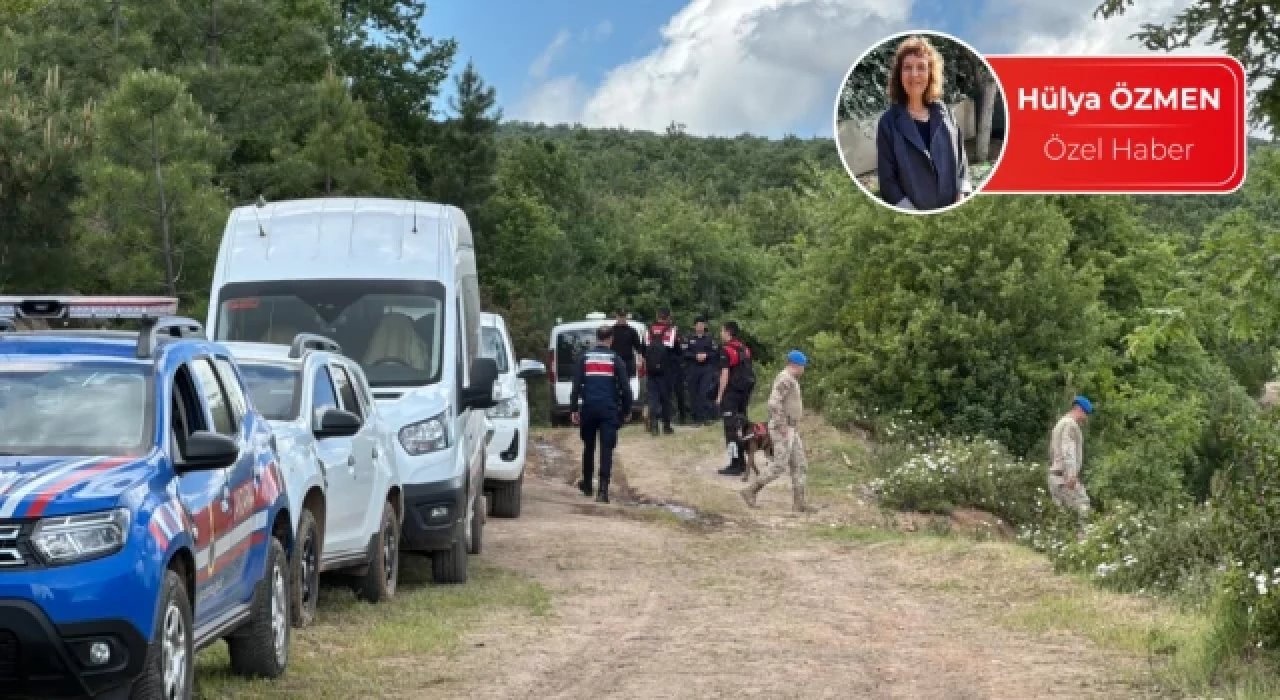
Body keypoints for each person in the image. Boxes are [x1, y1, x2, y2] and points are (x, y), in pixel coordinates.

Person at [875, 34, 973, 212]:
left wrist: (961, 194)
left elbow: (962, 162)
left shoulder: (946, 114)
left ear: (930, 74)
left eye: (921, 67)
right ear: (899, 75)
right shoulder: (888, 123)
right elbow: (888, 182)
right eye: (907, 68)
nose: (914, 74)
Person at [741, 351, 815, 513]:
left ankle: (799, 503)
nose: (804, 369)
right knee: (779, 465)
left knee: (800, 464)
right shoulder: (785, 378)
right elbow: (773, 402)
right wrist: (781, 425)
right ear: (796, 365)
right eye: (803, 366)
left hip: (791, 427)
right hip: (784, 428)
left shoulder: (790, 379)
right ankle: (751, 490)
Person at [569, 325, 632, 504]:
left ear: (597, 338)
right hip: (609, 409)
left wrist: (574, 409)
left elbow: (576, 386)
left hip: (589, 408)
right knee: (606, 448)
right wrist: (627, 410)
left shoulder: (585, 358)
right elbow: (626, 389)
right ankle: (603, 491)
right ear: (610, 339)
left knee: (588, 447)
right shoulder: (615, 359)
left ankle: (588, 484)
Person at [715, 321, 756, 477]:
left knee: (730, 429)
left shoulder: (726, 350)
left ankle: (735, 464)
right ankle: (743, 461)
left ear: (728, 332)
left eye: (722, 331)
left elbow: (724, 374)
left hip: (731, 394)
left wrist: (719, 396)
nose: (721, 334)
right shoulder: (745, 349)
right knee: (742, 427)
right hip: (744, 394)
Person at [1049, 396, 1093, 515]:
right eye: (1086, 414)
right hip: (1064, 478)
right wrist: (1071, 475)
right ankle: (1084, 535)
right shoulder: (1070, 425)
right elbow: (1068, 450)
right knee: (1083, 506)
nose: (1086, 418)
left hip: (1054, 477)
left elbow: (1053, 451)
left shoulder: (1060, 423)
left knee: (1063, 517)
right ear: (1079, 409)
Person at [644, 307, 680, 436]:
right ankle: (666, 426)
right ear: (668, 317)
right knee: (666, 399)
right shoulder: (671, 330)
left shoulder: (649, 330)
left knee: (653, 398)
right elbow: (677, 350)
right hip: (666, 371)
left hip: (651, 370)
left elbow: (644, 349)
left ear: (657, 316)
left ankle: (654, 426)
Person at [684, 315, 718, 425]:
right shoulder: (689, 338)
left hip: (706, 368)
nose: (700, 327)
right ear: (694, 326)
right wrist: (695, 356)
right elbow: (684, 353)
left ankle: (706, 418)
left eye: (702, 324)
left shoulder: (709, 339)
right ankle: (696, 419)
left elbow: (715, 353)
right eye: (698, 325)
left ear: (705, 326)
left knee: (704, 392)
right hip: (693, 368)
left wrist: (706, 355)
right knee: (693, 394)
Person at [610, 308, 644, 379]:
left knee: (627, 384)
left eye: (624, 316)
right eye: (620, 316)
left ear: (626, 317)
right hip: (614, 362)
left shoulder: (632, 331)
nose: (622, 318)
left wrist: (640, 360)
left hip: (627, 363)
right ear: (616, 316)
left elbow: (638, 347)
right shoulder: (611, 331)